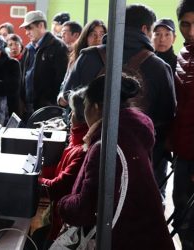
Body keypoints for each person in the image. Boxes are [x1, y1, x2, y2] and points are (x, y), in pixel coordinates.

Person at [60, 5, 176, 197]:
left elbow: (68, 98)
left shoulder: (88, 57)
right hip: (137, 165)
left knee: (85, 207)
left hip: (85, 154)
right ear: (145, 29)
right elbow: (167, 117)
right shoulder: (159, 67)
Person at [57, 74, 175, 250]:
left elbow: (84, 210)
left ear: (96, 108)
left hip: (123, 239)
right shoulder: (132, 131)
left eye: (86, 105)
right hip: (149, 235)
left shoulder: (106, 146)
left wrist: (62, 203)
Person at [30, 87, 88, 250]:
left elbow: (58, 186)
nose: (69, 117)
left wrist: (34, 180)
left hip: (63, 227)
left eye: (73, 113)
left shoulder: (83, 150)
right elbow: (59, 170)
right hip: (56, 218)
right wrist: (39, 171)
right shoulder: (76, 141)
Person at [171, 0, 194, 249]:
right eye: (185, 25)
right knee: (183, 223)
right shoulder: (184, 54)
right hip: (183, 155)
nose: (191, 32)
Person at [19, 10, 68, 120]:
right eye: (26, 29)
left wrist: (51, 103)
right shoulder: (28, 49)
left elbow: (62, 79)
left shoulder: (58, 47)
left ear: (41, 25)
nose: (27, 32)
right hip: (28, 108)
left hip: (48, 110)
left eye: (29, 28)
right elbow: (22, 76)